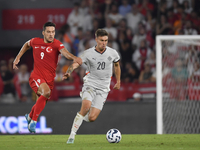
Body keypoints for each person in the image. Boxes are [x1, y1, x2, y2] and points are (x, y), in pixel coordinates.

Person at [13, 22, 82, 133]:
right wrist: (18, 58)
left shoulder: (56, 44)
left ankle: (30, 116)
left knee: (44, 98)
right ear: (43, 33)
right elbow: (26, 44)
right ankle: (34, 122)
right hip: (36, 77)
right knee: (46, 92)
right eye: (48, 32)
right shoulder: (36, 41)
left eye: (53, 32)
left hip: (49, 80)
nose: (51, 34)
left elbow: (65, 53)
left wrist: (74, 57)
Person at [63, 29, 121, 144]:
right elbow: (76, 63)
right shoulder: (88, 53)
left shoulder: (113, 53)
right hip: (90, 84)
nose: (104, 43)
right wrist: (69, 71)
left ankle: (79, 116)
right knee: (86, 106)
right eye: (101, 40)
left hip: (104, 88)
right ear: (96, 39)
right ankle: (72, 135)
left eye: (106, 40)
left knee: (92, 118)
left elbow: (117, 65)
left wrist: (118, 80)